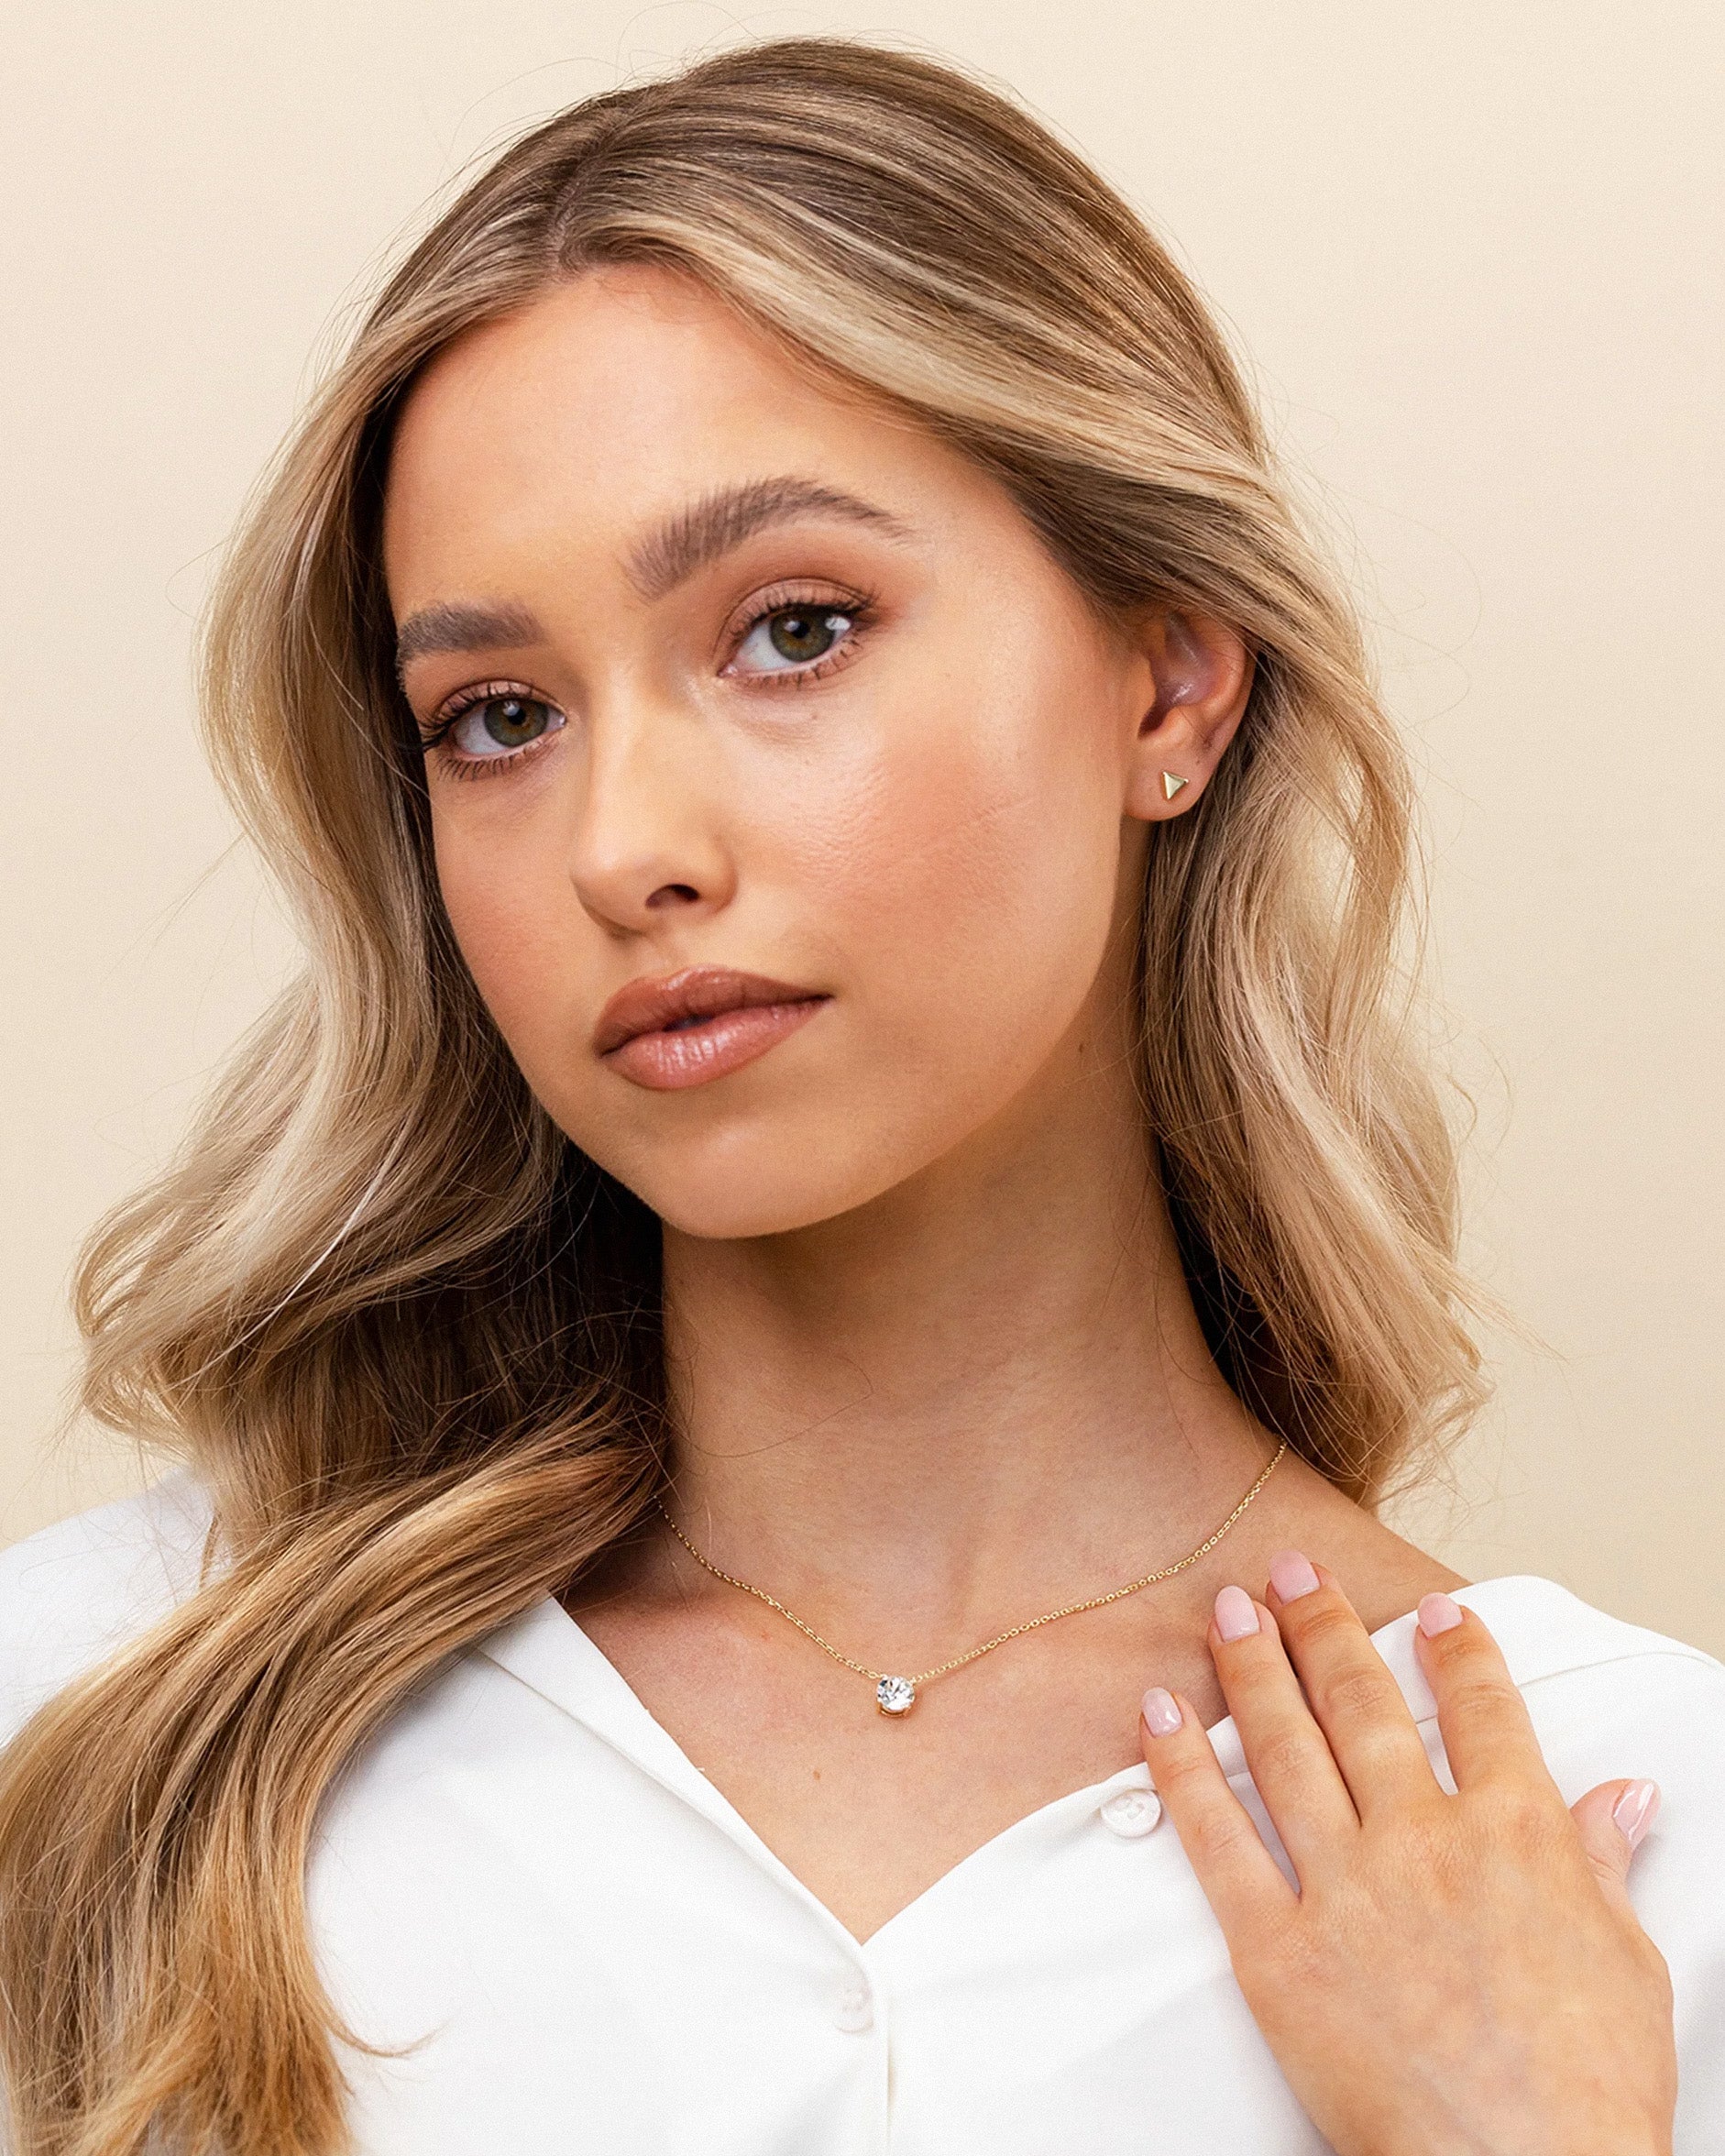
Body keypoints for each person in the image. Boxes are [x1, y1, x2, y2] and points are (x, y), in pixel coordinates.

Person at [0, 35, 1720, 2156]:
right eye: (497, 715)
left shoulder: (1628, 1849)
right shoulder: (109, 1732)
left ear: (1165, 678)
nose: (624, 840)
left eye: (794, 629)